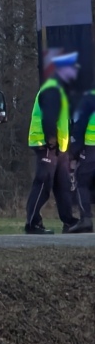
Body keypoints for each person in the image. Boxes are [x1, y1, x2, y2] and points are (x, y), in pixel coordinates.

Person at [25, 49, 81, 234]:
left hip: (59, 148)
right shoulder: (52, 89)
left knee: (62, 185)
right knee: (43, 183)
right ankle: (32, 223)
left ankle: (69, 222)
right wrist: (51, 140)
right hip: (47, 145)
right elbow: (48, 119)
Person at [69, 83, 95, 233]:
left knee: (82, 180)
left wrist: (74, 151)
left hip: (92, 147)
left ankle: (86, 219)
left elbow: (80, 127)